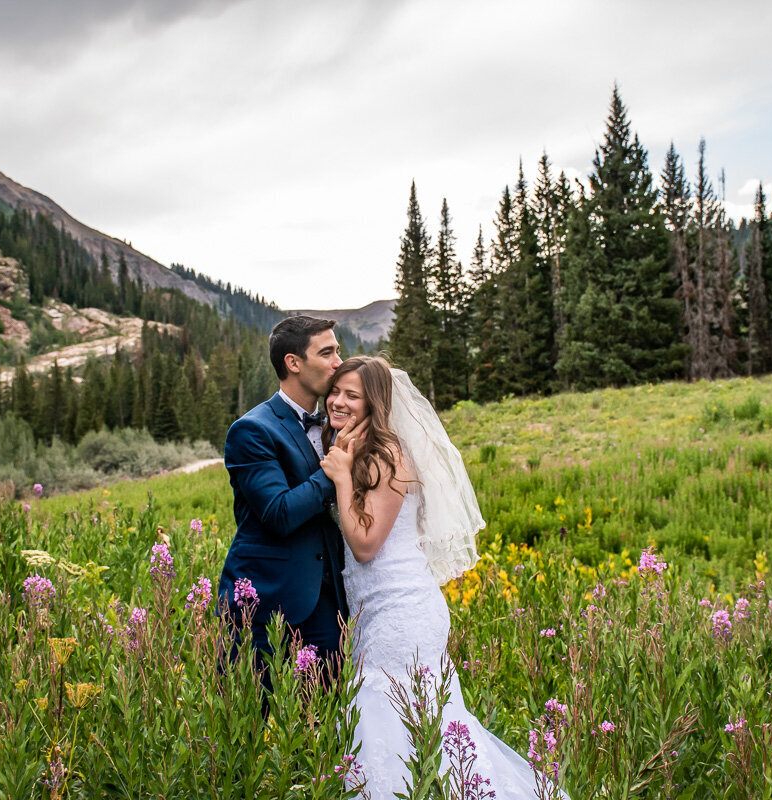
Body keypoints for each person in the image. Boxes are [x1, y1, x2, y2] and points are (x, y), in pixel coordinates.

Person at [319, 355, 567, 800]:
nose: (338, 401)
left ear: (375, 402)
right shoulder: (360, 450)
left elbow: (366, 544)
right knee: (414, 731)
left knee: (391, 728)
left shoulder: (387, 456)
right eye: (335, 390)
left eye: (352, 395)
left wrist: (339, 478)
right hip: (378, 609)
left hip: (401, 613)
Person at [218, 315, 365, 671]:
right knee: (254, 717)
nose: (338, 362)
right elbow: (279, 513)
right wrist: (334, 470)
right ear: (294, 363)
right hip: (266, 605)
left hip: (330, 603)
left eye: (338, 351)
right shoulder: (252, 430)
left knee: (327, 714)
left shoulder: (339, 423)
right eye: (327, 353)